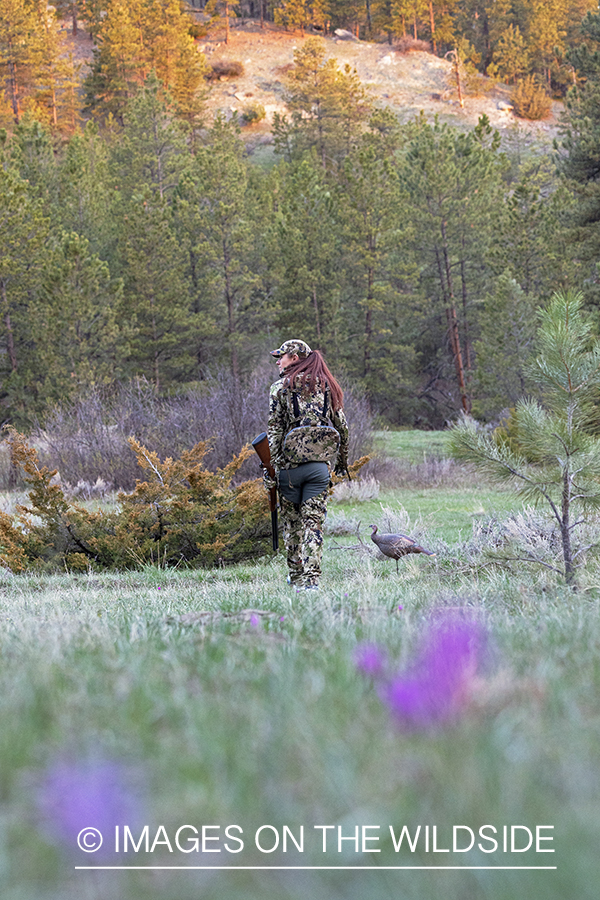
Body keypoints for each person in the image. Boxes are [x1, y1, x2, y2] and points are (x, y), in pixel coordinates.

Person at [264, 339, 349, 591]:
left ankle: (297, 578)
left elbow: (274, 431)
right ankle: (313, 581)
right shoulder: (327, 386)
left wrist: (275, 469)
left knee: (292, 525)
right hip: (319, 469)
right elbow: (343, 428)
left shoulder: (279, 388)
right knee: (313, 524)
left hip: (290, 469)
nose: (278, 361)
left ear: (295, 357)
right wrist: (342, 462)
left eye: (281, 357)